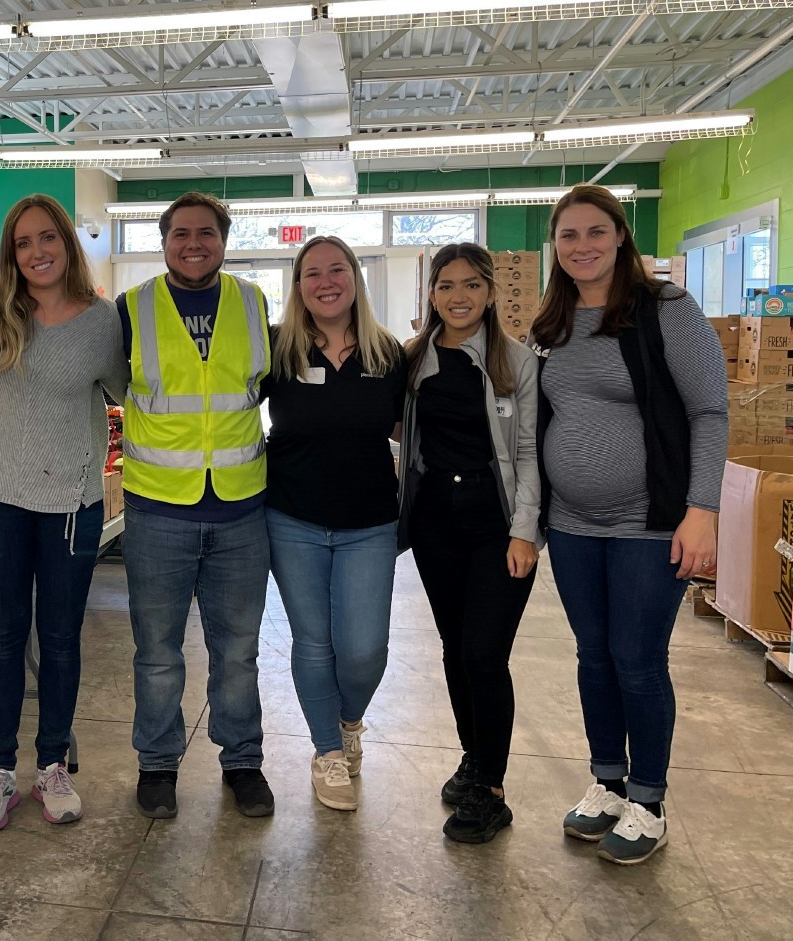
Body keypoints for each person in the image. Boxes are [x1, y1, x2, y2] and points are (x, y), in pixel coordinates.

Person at [532, 184, 727, 866]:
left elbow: (709, 411)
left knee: (638, 659)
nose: (582, 245)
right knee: (594, 655)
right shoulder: (551, 323)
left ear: (620, 235)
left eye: (595, 231)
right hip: (573, 523)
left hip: (650, 520)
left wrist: (703, 509)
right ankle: (608, 780)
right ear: (553, 247)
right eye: (568, 235)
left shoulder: (664, 307)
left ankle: (649, 799)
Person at [0, 194, 128, 831]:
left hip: (71, 503)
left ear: (67, 244)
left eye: (48, 238)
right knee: (1, 638)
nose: (37, 252)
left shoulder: (103, 322)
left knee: (60, 638)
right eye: (23, 243)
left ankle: (52, 765)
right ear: (11, 252)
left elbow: (136, 393)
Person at [117, 190, 275, 821]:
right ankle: (157, 765)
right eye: (180, 233)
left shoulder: (253, 302)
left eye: (206, 233)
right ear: (163, 242)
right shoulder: (131, 309)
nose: (193, 243)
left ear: (224, 240)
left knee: (238, 649)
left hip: (240, 507)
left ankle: (242, 762)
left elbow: (261, 384)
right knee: (157, 651)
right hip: (158, 509)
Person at [398, 243, 541, 844]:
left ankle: (493, 789)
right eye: (446, 285)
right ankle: (474, 758)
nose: (458, 297)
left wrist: (524, 530)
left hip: (496, 525)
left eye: (471, 285)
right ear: (431, 295)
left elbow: (531, 450)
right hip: (435, 525)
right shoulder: (413, 360)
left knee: (485, 653)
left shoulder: (516, 361)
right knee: (455, 650)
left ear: (490, 293)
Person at [263, 236, 405, 812]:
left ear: (355, 277)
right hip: (291, 515)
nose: (326, 281)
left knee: (365, 648)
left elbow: (408, 429)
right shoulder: (278, 349)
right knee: (315, 643)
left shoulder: (388, 353)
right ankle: (327, 751)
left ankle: (350, 721)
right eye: (312, 273)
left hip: (370, 521)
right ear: (298, 286)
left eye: (337, 270)